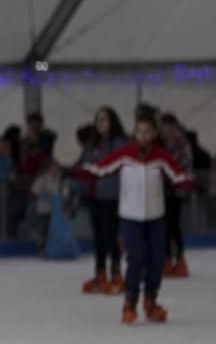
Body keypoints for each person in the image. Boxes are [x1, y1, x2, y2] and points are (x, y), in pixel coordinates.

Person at [80, 115, 191, 325]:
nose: (143, 136)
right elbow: (101, 168)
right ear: (134, 133)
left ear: (154, 134)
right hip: (131, 217)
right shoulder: (125, 154)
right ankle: (130, 302)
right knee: (136, 259)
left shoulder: (161, 156)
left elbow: (177, 175)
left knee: (156, 261)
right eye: (139, 131)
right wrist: (78, 171)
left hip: (156, 217)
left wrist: (188, 183)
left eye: (147, 131)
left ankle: (151, 301)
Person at [78, 107, 127, 294]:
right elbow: (85, 166)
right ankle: (100, 272)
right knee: (98, 235)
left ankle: (116, 272)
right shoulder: (93, 145)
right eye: (98, 120)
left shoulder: (118, 143)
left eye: (105, 119)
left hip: (111, 195)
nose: (101, 124)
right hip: (94, 195)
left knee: (110, 234)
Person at [159, 113, 193, 277]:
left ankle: (178, 259)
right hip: (164, 189)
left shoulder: (180, 142)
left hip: (177, 190)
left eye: (166, 126)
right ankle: (166, 259)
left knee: (172, 225)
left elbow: (182, 165)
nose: (163, 130)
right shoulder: (162, 142)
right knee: (166, 225)